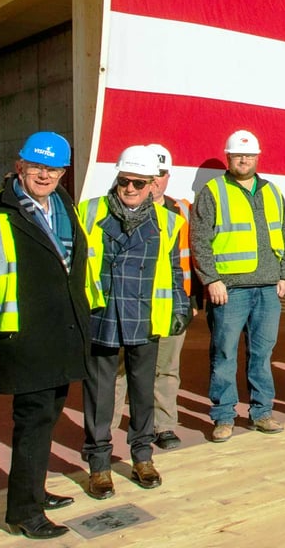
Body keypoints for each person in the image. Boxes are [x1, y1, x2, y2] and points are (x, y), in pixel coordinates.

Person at [0, 131, 88, 539]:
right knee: (33, 421)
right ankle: (24, 513)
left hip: (62, 334)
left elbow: (72, 270)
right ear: (19, 166)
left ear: (63, 173)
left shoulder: (63, 206)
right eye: (38, 167)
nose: (45, 175)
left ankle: (34, 491)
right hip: (21, 340)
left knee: (47, 418)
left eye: (54, 168)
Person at [78, 146, 189, 498]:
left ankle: (142, 457)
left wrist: (179, 307)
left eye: (138, 183)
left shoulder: (170, 221)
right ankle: (99, 464)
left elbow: (174, 270)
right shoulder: (89, 211)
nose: (130, 189)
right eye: (124, 181)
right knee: (99, 392)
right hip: (103, 313)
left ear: (151, 184)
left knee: (143, 393)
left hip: (145, 316)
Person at [191, 129, 285, 442]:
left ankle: (261, 413)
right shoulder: (213, 190)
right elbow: (200, 238)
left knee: (262, 354)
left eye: (248, 155)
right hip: (229, 290)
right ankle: (223, 416)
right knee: (224, 353)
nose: (243, 159)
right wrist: (212, 279)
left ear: (257, 157)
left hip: (267, 289)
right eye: (237, 155)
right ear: (228, 157)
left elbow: (283, 237)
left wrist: (283, 275)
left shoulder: (272, 191)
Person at [143, 143, 194, 451]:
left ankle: (164, 426)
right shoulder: (122, 206)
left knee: (167, 369)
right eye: (150, 174)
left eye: (161, 174)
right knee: (122, 371)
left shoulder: (182, 210)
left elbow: (193, 257)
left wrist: (192, 301)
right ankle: (106, 431)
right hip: (134, 305)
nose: (155, 181)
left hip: (173, 304)